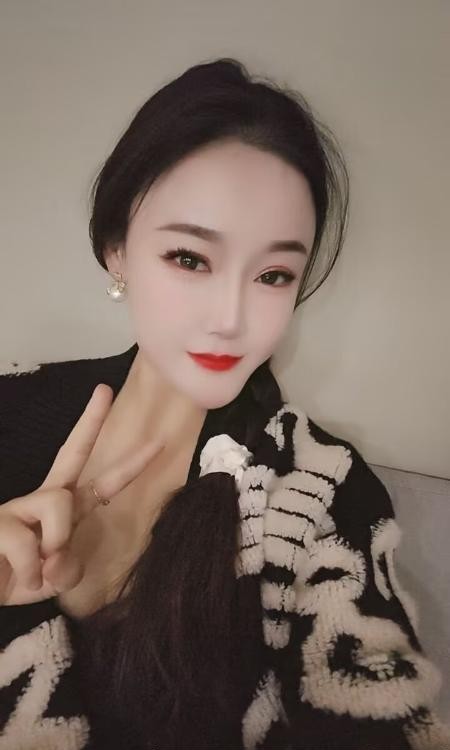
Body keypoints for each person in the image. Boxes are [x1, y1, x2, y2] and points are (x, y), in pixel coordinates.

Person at [0, 57, 448, 750]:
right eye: (190, 258)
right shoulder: (10, 407)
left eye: (274, 275)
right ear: (116, 250)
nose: (232, 320)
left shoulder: (319, 489)